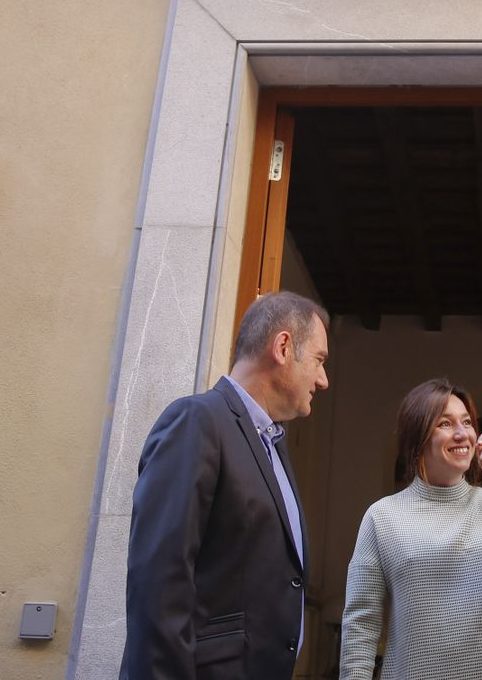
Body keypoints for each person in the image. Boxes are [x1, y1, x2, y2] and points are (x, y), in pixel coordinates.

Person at [120, 291, 330, 680]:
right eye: (318, 360)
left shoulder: (273, 443)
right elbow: (159, 584)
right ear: (283, 347)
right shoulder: (197, 421)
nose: (323, 379)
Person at [339, 378, 482, 680]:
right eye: (445, 424)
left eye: (467, 422)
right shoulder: (383, 517)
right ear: (417, 437)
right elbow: (361, 622)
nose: (462, 434)